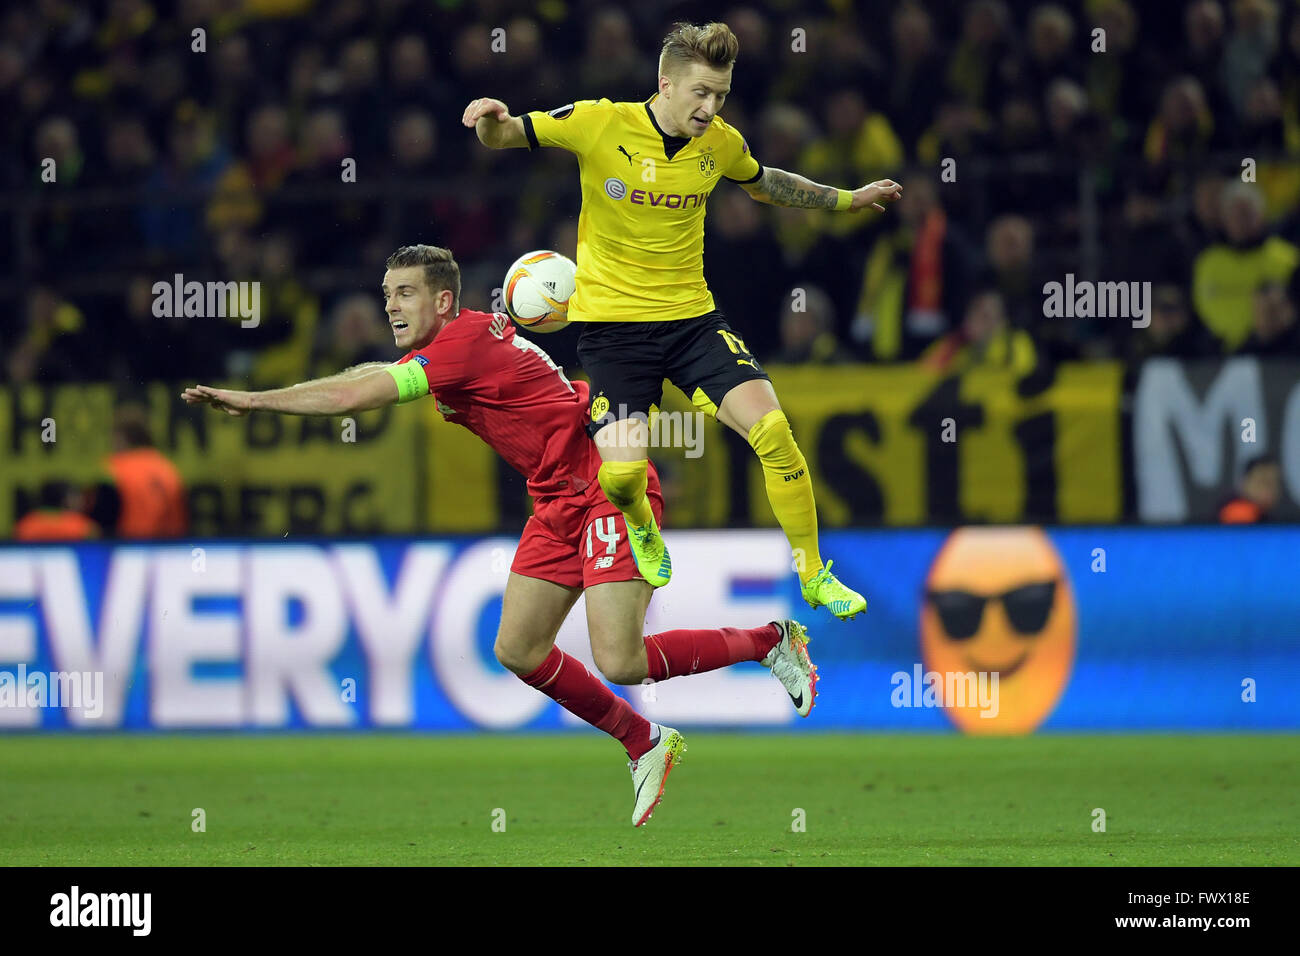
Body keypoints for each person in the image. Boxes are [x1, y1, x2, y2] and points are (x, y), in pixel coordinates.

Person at [182, 244, 817, 827]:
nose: (390, 305)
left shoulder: (460, 346)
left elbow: (361, 392)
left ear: (443, 301)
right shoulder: (452, 345)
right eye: (386, 293)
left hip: (602, 485)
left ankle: (771, 641)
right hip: (555, 503)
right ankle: (643, 740)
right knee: (518, 648)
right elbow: (379, 368)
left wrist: (259, 401)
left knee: (621, 659)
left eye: (404, 293)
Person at [462, 20, 901, 620]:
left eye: (720, 95)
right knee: (620, 479)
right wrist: (489, 118)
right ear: (665, 83)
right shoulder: (599, 122)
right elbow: (505, 135)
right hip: (612, 334)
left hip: (693, 322)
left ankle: (813, 573)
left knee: (774, 433)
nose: (710, 107)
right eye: (700, 93)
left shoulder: (720, 142)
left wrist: (849, 198)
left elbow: (765, 184)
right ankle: (641, 525)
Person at [1218, 454, 1282, 523]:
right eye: (1262, 481)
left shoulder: (1274, 518)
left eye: (1274, 482)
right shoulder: (1237, 514)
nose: (1268, 488)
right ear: (1244, 482)